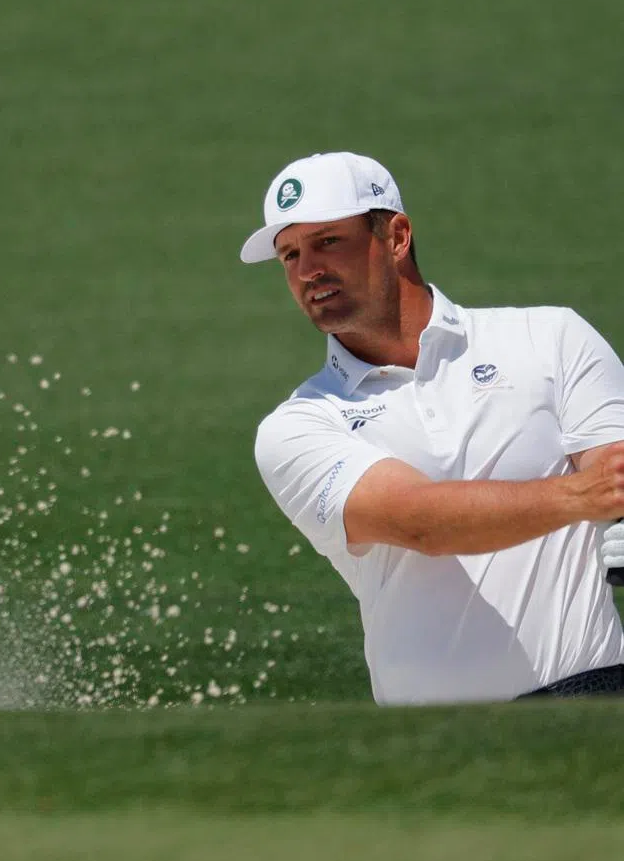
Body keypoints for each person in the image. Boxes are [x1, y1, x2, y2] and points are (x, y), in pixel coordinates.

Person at [242, 151, 624, 704]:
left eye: (327, 242)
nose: (306, 272)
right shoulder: (296, 427)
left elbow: (614, 471)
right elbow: (422, 524)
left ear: (396, 237)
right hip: (432, 751)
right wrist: (584, 496)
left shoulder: (552, 338)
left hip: (597, 701)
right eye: (289, 254)